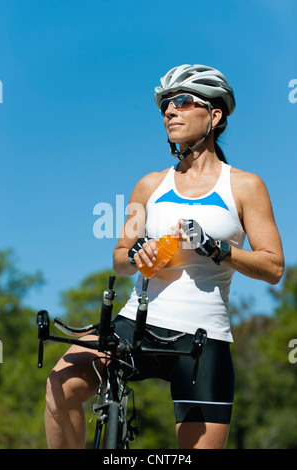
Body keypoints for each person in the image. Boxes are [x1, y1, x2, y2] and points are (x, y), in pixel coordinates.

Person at [44, 64, 284, 449]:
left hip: (202, 339)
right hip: (136, 323)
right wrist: (137, 251)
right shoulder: (150, 185)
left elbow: (273, 266)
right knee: (60, 386)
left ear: (215, 115)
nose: (170, 111)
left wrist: (217, 248)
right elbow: (119, 257)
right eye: (165, 106)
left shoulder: (244, 185)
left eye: (183, 102)